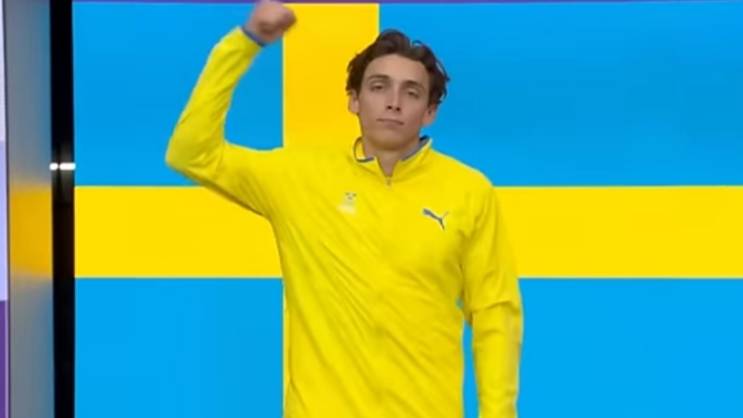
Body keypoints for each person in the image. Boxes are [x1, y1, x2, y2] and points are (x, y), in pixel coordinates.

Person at [165, 1, 523, 417]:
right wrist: (245, 43)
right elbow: (191, 153)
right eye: (378, 87)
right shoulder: (298, 176)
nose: (393, 102)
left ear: (430, 111)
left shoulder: (469, 191)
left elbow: (495, 314)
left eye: (411, 92)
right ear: (354, 100)